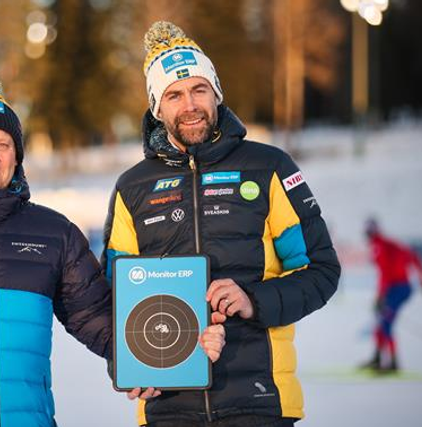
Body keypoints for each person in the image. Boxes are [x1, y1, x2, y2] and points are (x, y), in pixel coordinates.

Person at [0, 65, 225, 427]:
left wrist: (154, 358)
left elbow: (95, 316)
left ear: (17, 156)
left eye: (3, 144)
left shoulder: (53, 232)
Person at [102, 22, 341, 427]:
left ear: (216, 94)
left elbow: (321, 270)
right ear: (157, 108)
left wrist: (254, 300)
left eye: (199, 90)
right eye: (174, 95)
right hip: (166, 407)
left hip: (259, 403)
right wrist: (125, 365)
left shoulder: (269, 168)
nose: (190, 105)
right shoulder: (132, 188)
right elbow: (114, 296)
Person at [361, 218, 422, 372]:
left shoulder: (380, 246)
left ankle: (392, 363)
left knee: (385, 324)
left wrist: (380, 296)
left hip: (396, 289)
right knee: (382, 322)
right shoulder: (388, 243)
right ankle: (378, 358)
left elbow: (385, 274)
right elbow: (414, 257)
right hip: (399, 288)